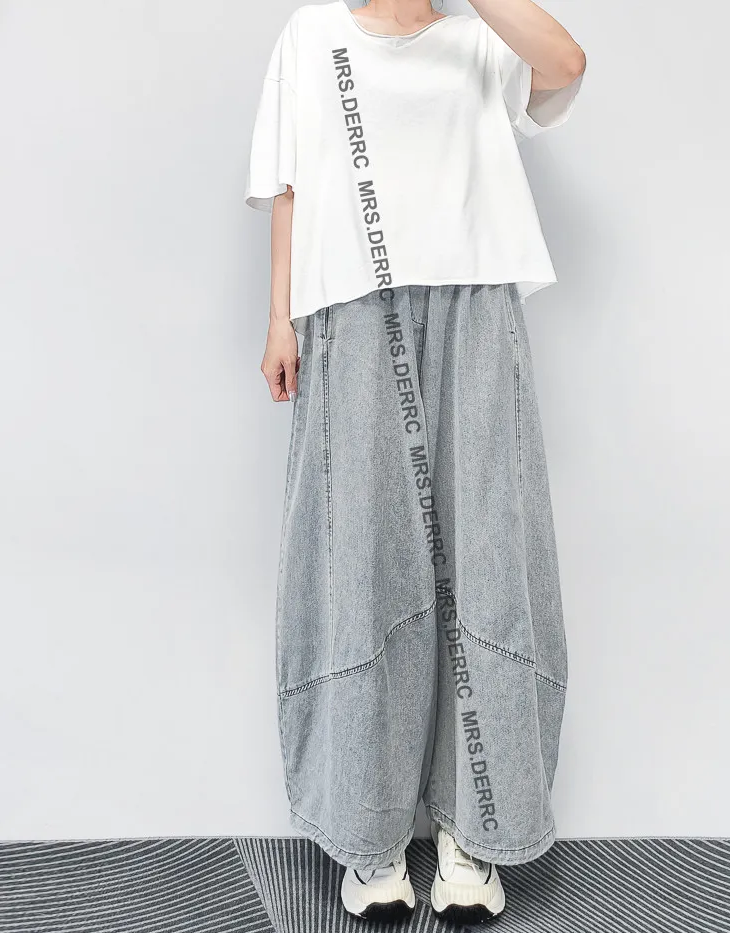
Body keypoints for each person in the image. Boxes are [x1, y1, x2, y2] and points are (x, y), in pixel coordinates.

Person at [245, 0, 585, 924]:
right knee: (362, 564)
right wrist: (279, 320)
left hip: (474, 309)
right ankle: (373, 836)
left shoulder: (481, 37)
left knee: (491, 560)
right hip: (352, 315)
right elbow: (287, 183)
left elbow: (565, 64)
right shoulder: (312, 36)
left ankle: (475, 834)